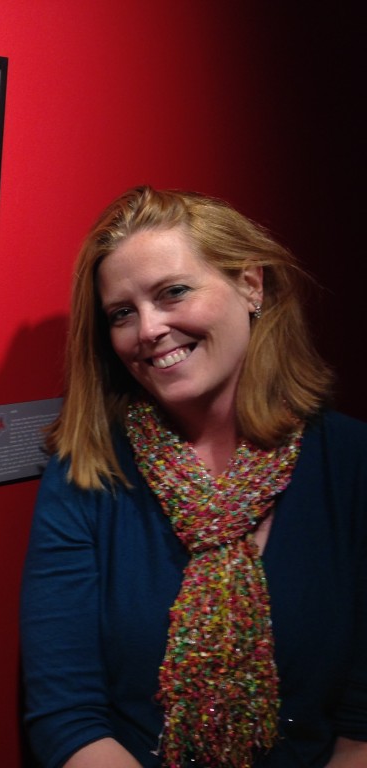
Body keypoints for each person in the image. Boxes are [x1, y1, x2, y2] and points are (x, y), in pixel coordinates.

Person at [19, 186, 367, 768]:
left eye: (173, 292)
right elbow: (66, 717)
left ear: (250, 286)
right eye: (122, 313)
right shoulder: (87, 474)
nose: (149, 329)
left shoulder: (351, 463)